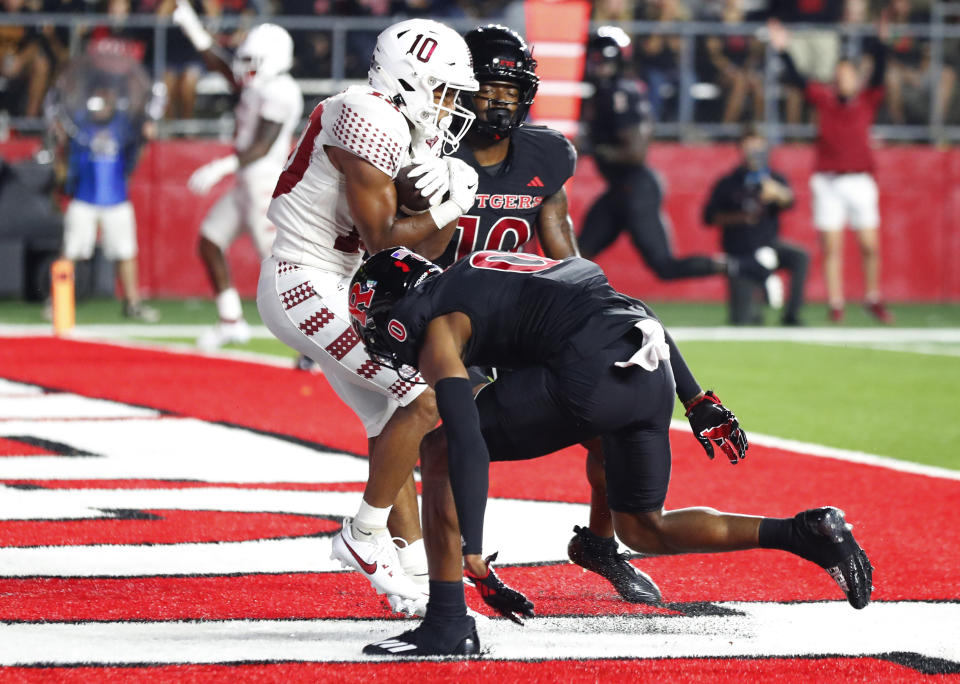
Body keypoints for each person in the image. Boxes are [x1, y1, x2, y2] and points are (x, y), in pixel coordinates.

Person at [350, 247, 873, 656]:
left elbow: (464, 436)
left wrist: (475, 554)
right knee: (645, 528)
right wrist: (695, 399)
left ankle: (445, 621)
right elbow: (634, 308)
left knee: (439, 449)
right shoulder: (493, 272)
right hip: (650, 371)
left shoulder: (440, 321)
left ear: (396, 313)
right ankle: (803, 532)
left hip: (590, 374)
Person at [256, 19, 480, 615]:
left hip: (343, 280)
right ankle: (360, 536)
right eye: (443, 89)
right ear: (408, 76)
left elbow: (420, 249)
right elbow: (383, 239)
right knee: (424, 396)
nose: (451, 105)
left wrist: (450, 200)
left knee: (391, 421)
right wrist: (455, 201)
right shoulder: (366, 113)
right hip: (303, 276)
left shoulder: (409, 127)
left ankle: (403, 565)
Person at [443, 24, 658, 604]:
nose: (502, 102)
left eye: (513, 92)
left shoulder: (544, 153)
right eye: (491, 88)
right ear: (461, 88)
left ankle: (599, 543)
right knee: (442, 433)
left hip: (522, 319)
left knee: (609, 419)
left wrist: (605, 310)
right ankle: (436, 559)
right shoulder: (429, 149)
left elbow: (563, 245)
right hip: (449, 322)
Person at [578, 28, 762, 288]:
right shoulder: (613, 92)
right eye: (593, 60)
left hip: (635, 189)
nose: (596, 67)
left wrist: (589, 148)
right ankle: (562, 313)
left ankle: (744, 266)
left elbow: (635, 153)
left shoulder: (618, 94)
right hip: (621, 188)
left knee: (664, 266)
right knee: (576, 255)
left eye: (601, 60)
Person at [172, 3, 304, 349]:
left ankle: (314, 341)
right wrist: (194, 31)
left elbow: (262, 145)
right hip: (246, 182)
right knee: (210, 241)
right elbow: (221, 65)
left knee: (283, 268)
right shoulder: (259, 82)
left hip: (265, 184)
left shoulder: (282, 91)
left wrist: (221, 167)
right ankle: (231, 320)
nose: (243, 67)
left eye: (251, 61)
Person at [769, 19, 893, 324]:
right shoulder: (824, 100)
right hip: (828, 180)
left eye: (848, 74)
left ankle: (872, 296)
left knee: (869, 244)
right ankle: (836, 302)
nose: (843, 80)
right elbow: (798, 80)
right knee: (831, 246)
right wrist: (784, 50)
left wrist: (881, 43)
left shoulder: (866, 100)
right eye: (839, 75)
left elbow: (879, 73)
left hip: (860, 178)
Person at [50, 55, 161, 321]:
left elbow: (135, 155)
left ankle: (132, 302)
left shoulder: (124, 127)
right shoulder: (77, 124)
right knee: (71, 250)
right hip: (84, 197)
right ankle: (57, 301)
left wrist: (146, 138)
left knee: (126, 253)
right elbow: (64, 156)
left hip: (115, 198)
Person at [703, 125, 809, 325]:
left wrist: (778, 193)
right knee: (742, 321)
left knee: (800, 256)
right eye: (749, 147)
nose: (754, 152)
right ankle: (765, 284)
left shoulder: (773, 178)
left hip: (769, 244)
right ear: (741, 149)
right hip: (741, 254)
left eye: (758, 146)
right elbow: (709, 217)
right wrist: (741, 218)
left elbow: (790, 201)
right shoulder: (728, 183)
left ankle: (791, 315)